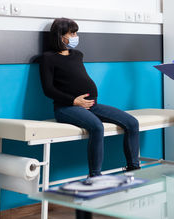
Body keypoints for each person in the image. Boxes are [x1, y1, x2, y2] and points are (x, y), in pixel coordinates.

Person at [39, 18, 140, 178]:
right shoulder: (48, 58)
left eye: (76, 32)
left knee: (132, 123)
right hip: (66, 108)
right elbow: (48, 89)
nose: (75, 36)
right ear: (60, 35)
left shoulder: (77, 54)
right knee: (97, 127)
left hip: (92, 105)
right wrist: (74, 101)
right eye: (72, 33)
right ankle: (95, 176)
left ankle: (133, 169)